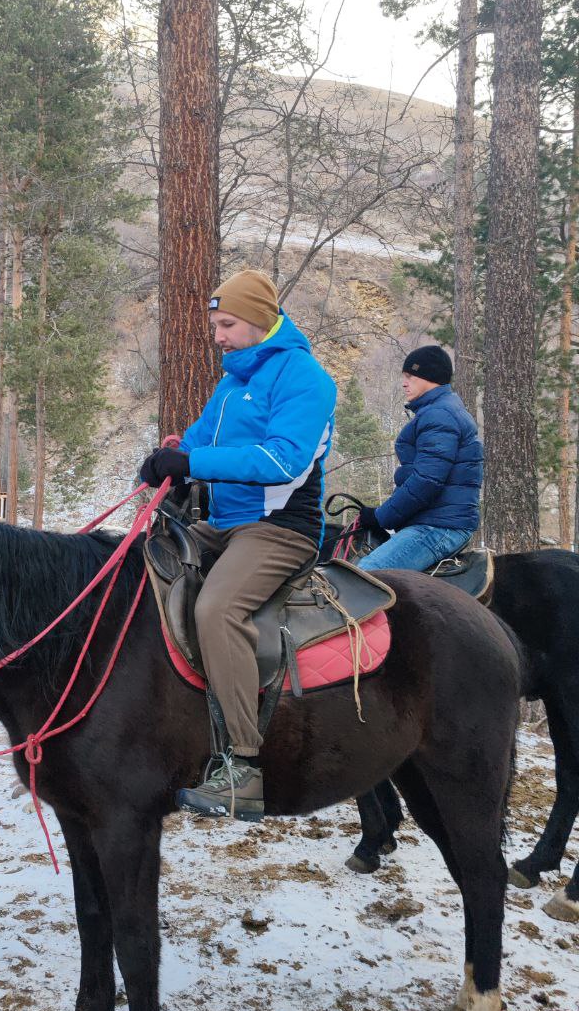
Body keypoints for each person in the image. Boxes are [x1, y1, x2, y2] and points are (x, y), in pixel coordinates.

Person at [139, 269, 337, 821]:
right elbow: (201, 438)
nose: (218, 336)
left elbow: (282, 459)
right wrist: (171, 456)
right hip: (222, 525)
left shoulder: (306, 378)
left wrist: (193, 463)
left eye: (226, 324)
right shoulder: (233, 381)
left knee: (218, 608)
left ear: (257, 319)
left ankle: (244, 765)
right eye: (215, 325)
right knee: (141, 568)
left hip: (279, 530)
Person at [355, 346, 482, 574]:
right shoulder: (440, 410)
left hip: (438, 527)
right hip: (436, 521)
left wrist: (380, 516)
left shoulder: (439, 414)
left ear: (430, 377)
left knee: (362, 578)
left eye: (410, 376)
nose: (404, 383)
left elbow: (426, 481)